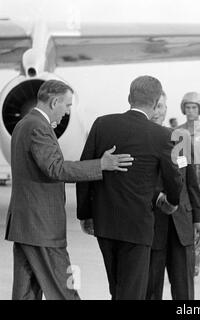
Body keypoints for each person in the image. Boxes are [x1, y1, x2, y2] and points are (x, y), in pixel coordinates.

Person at [4, 80, 133, 300]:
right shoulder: (38, 127)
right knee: (65, 289)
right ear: (54, 102)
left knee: (25, 294)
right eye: (67, 105)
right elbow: (55, 168)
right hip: (41, 226)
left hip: (25, 226)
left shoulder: (24, 124)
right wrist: (100, 165)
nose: (67, 111)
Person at [76, 76, 182, 300]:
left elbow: (85, 170)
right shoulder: (162, 135)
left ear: (129, 98)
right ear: (154, 104)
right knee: (132, 292)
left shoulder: (102, 124)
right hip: (137, 227)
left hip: (104, 223)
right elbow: (174, 179)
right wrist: (171, 201)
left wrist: (85, 215)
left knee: (117, 289)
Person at [146, 92, 200, 300]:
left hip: (182, 223)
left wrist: (198, 218)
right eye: (154, 106)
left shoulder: (179, 138)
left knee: (185, 290)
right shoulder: (138, 140)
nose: (158, 111)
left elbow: (191, 182)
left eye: (161, 106)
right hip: (153, 225)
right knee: (151, 289)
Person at [176, 91, 200, 276]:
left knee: (197, 223)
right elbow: (177, 158)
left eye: (194, 107)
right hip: (181, 183)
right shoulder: (178, 132)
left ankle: (194, 264)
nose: (190, 111)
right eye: (187, 107)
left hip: (198, 184)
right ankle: (182, 263)